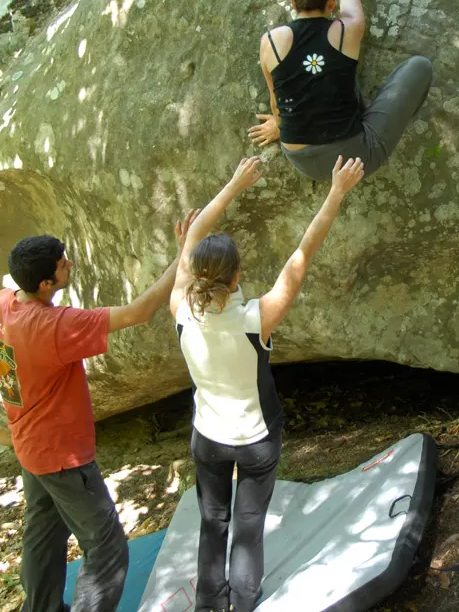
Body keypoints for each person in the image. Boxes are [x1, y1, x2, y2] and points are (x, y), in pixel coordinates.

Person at [170, 154, 364, 612]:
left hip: (209, 440)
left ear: (194, 272)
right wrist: (336, 192)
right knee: (248, 525)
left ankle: (208, 605)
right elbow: (303, 253)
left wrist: (233, 186)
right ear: (237, 276)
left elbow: (193, 240)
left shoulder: (180, 308)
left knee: (212, 522)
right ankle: (244, 603)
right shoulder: (257, 319)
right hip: (256, 440)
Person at [0, 211, 197, 612]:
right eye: (63, 264)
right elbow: (138, 311)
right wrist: (184, 252)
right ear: (45, 283)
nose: (71, 264)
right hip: (61, 454)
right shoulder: (52, 325)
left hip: (29, 447)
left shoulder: (2, 304)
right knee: (107, 548)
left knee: (42, 534)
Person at [249, 0, 433, 182]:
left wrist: (279, 125)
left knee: (334, 69)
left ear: (292, 2)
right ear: (332, 2)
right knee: (420, 67)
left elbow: (275, 98)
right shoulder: (348, 29)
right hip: (350, 162)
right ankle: (369, 125)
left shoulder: (269, 41)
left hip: (297, 156)